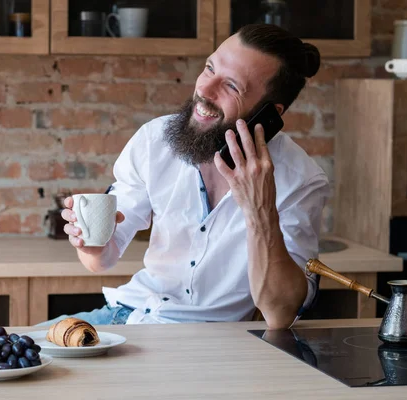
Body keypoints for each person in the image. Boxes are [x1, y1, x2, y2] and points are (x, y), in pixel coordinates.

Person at [39, 23, 330, 329]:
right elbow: (100, 261)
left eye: (231, 86)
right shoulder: (155, 140)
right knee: (12, 352)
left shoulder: (302, 181)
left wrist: (261, 210)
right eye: (209, 68)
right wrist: (91, 245)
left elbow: (279, 312)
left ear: (270, 114)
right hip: (129, 314)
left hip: (213, 342)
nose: (204, 89)